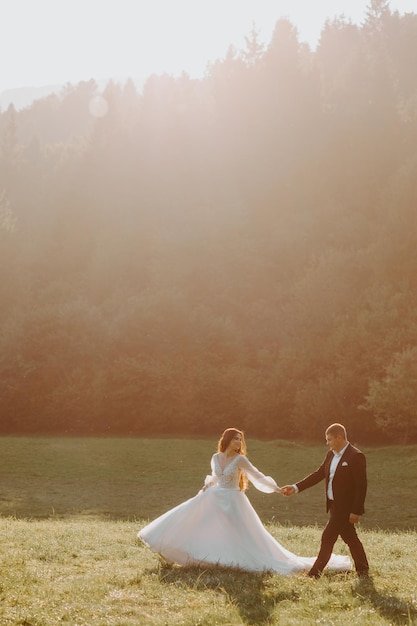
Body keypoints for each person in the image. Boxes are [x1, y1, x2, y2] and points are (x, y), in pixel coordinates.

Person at [138, 428, 351, 575]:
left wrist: (276, 488)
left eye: (241, 439)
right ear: (228, 440)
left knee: (241, 534)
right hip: (214, 496)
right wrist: (206, 487)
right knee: (194, 519)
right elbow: (214, 476)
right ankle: (179, 550)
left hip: (233, 500)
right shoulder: (216, 457)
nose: (239, 443)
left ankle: (240, 559)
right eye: (236, 439)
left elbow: (257, 476)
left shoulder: (240, 459)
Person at [281, 423, 369, 578]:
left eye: (329, 439)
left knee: (327, 537)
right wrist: (295, 487)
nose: (327, 443)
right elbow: (318, 474)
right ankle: (363, 570)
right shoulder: (330, 454)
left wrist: (356, 511)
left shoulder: (355, 456)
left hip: (346, 507)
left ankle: (314, 574)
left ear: (339, 437)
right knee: (350, 538)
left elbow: (361, 487)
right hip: (334, 506)